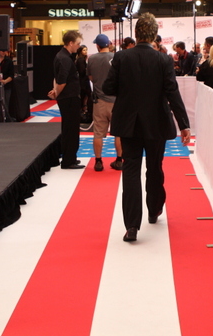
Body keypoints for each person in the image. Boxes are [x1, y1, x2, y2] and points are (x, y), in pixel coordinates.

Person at [103, 13, 190, 242]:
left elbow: (108, 87)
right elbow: (172, 92)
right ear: (153, 35)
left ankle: (132, 226)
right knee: (154, 166)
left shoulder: (121, 57)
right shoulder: (163, 60)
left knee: (131, 170)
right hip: (156, 122)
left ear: (137, 34)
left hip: (129, 123)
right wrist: (184, 124)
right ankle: (154, 210)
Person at [87, 34, 123, 172]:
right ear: (109, 44)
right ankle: (119, 160)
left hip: (99, 101)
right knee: (119, 132)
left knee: (98, 133)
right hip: (116, 101)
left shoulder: (92, 59)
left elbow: (91, 77)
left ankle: (98, 161)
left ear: (97, 45)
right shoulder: (116, 57)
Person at [49, 30, 84, 170]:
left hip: (68, 97)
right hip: (69, 98)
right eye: (77, 43)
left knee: (69, 128)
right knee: (71, 129)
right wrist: (57, 92)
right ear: (70, 43)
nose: (78, 46)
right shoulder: (64, 59)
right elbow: (62, 80)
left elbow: (57, 78)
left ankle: (70, 158)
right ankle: (68, 160)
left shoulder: (62, 56)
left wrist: (56, 90)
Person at [75, 45, 91, 117]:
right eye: (84, 50)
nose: (85, 51)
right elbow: (82, 71)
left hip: (83, 81)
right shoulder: (81, 60)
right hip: (83, 81)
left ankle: (83, 110)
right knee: (87, 96)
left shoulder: (81, 59)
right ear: (80, 51)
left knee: (84, 96)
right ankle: (85, 111)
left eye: (86, 50)